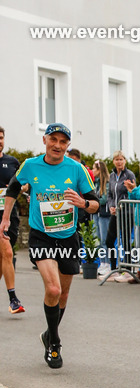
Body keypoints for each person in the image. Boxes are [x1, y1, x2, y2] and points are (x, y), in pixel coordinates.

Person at [0, 123, 99, 367]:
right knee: (53, 289)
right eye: (53, 139)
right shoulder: (30, 165)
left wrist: (82, 203)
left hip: (67, 237)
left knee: (63, 293)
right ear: (45, 140)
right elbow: (13, 187)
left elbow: (96, 203)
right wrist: (5, 218)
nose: (57, 145)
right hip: (41, 236)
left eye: (63, 142)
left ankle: (48, 333)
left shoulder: (76, 169)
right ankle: (54, 341)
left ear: (67, 145)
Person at [0, 126, 25, 314]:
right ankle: (13, 299)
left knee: (3, 258)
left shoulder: (12, 162)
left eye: (1, 138)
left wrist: (19, 188)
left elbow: (25, 184)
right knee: (7, 253)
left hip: (10, 215)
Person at [101, 151, 136, 277]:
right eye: (116, 159)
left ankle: (128, 268)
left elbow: (133, 191)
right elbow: (110, 194)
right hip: (115, 213)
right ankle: (113, 267)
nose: (119, 162)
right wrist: (111, 206)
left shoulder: (129, 174)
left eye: (121, 159)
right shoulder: (111, 176)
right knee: (109, 240)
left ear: (125, 161)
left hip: (126, 212)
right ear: (113, 161)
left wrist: (130, 188)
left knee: (126, 241)